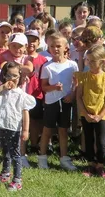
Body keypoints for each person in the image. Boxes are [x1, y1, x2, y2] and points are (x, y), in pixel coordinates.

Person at [0, 61, 36, 191]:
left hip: (14, 127)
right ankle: (5, 173)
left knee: (15, 153)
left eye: (15, 76)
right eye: (8, 76)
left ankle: (17, 179)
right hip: (2, 125)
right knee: (5, 151)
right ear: (4, 76)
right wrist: (2, 87)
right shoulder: (2, 90)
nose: (11, 79)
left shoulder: (21, 95)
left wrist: (25, 130)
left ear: (19, 77)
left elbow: (25, 113)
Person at [38, 33, 79, 171]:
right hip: (51, 102)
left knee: (63, 130)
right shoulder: (47, 66)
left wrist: (72, 94)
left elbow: (76, 83)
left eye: (58, 46)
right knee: (47, 130)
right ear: (48, 48)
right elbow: (43, 87)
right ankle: (42, 157)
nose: (55, 49)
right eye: (52, 46)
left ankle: (64, 158)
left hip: (66, 101)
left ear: (66, 47)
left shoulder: (72, 65)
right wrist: (54, 88)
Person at [75, 45, 105, 179]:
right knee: (88, 139)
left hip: (101, 115)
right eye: (88, 60)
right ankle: (91, 164)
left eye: (93, 61)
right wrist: (86, 114)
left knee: (101, 142)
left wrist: (100, 115)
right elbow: (79, 96)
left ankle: (100, 165)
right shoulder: (83, 77)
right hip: (86, 113)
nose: (89, 63)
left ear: (102, 62)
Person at [23, 29, 48, 166]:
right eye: (28, 40)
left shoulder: (43, 59)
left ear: (39, 42)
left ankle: (33, 144)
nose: (31, 43)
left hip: (37, 94)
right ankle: (22, 147)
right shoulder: (22, 58)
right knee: (22, 122)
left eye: (34, 40)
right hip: (24, 93)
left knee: (34, 122)